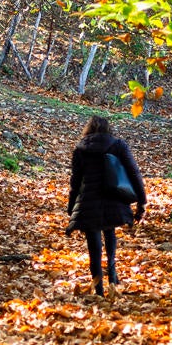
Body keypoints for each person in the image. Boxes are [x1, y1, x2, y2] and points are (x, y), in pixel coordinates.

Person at [67, 114, 146, 296]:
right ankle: (112, 275)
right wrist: (142, 201)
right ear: (108, 129)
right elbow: (134, 173)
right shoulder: (118, 145)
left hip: (88, 202)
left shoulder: (80, 149)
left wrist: (72, 207)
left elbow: (75, 181)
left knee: (93, 246)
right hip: (114, 199)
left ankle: (98, 289)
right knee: (110, 232)